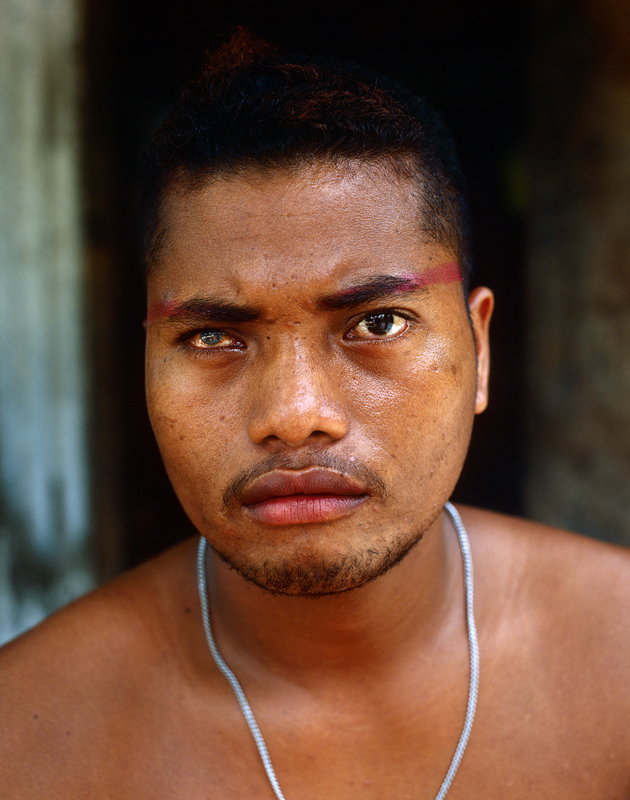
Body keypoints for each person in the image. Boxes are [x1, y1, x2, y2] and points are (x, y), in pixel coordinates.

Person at [2, 29, 630, 799]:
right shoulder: (26, 735)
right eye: (213, 336)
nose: (295, 415)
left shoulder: (619, 668)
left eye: (377, 323)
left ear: (481, 350)